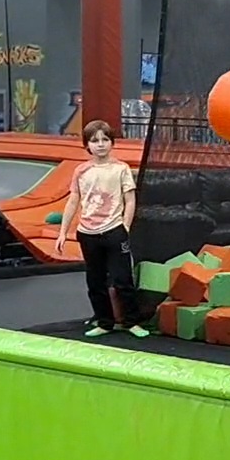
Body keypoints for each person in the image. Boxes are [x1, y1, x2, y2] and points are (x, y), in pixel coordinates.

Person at [56, 120, 147, 338]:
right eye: (95, 141)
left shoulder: (121, 169)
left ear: (112, 143)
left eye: (105, 140)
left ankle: (131, 322)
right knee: (95, 280)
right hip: (88, 233)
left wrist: (125, 225)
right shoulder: (81, 171)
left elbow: (130, 199)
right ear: (87, 145)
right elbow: (73, 201)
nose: (100, 144)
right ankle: (104, 322)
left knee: (122, 279)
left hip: (114, 230)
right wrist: (63, 232)